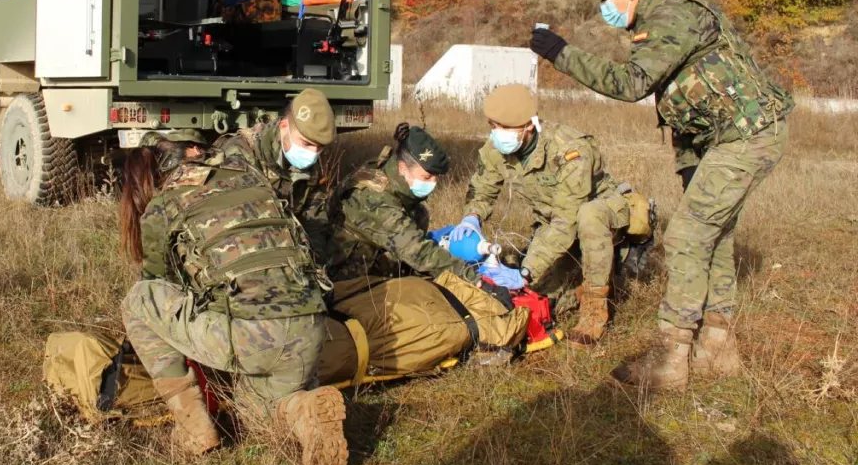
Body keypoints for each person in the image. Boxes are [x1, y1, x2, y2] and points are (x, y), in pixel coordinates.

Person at [529, 0, 793, 388]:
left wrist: (561, 53)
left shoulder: (670, 14)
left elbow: (632, 82)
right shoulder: (664, 13)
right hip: (730, 137)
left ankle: (670, 357)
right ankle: (717, 346)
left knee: (688, 234)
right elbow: (692, 93)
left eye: (607, 2)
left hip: (746, 137)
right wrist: (692, 160)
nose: (606, 14)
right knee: (716, 235)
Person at [118, 130, 348, 465]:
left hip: (253, 336)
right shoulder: (250, 176)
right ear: (196, 151)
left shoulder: (165, 203)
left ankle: (193, 429)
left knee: (138, 301)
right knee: (254, 410)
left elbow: (158, 284)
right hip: (311, 327)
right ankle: (303, 410)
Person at [450, 83, 633, 348]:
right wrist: (472, 217)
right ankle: (583, 279)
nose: (497, 134)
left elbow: (568, 217)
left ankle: (594, 309)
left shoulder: (569, 149)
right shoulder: (495, 149)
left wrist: (527, 270)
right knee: (540, 298)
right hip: (552, 226)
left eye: (505, 128)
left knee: (588, 216)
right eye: (492, 125)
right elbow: (482, 189)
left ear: (529, 125)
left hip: (596, 216)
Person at [329, 122, 525, 290]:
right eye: (427, 177)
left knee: (419, 213)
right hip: (344, 276)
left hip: (373, 258)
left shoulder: (390, 171)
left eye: (436, 177)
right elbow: (418, 252)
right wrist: (474, 278)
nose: (433, 183)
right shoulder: (375, 201)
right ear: (403, 168)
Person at [215, 88, 336, 264]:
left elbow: (314, 224)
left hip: (288, 254)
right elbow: (231, 230)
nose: (312, 153)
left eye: (319, 148)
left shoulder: (312, 168)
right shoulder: (240, 156)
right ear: (284, 126)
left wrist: (313, 264)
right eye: (307, 143)